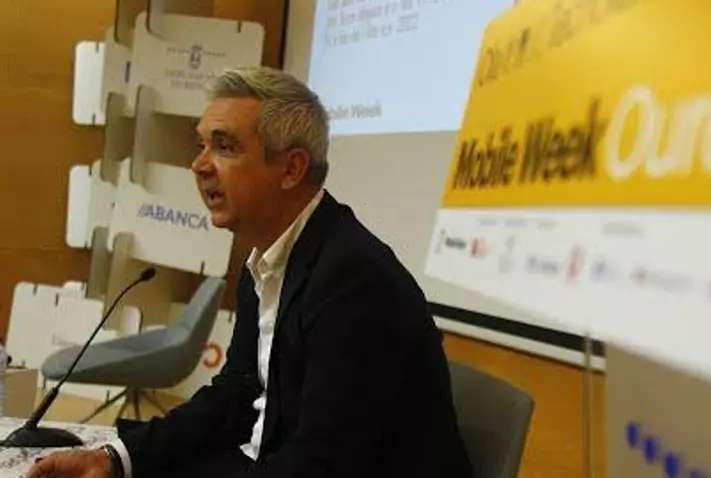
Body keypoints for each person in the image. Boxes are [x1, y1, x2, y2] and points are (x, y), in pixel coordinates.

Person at [26, 66, 473, 478]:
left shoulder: (354, 279)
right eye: (201, 145)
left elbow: (322, 463)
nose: (199, 165)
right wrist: (114, 459)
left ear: (291, 168)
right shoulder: (266, 260)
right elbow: (234, 398)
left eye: (224, 146)